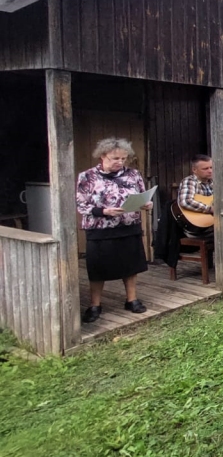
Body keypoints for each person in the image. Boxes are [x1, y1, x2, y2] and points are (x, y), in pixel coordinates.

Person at [75, 138, 153, 322]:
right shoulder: (87, 176)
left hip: (128, 226)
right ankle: (95, 305)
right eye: (115, 158)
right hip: (100, 229)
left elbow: (142, 195)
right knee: (97, 267)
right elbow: (80, 204)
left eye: (123, 158)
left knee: (130, 265)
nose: (120, 162)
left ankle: (132, 300)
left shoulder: (134, 175)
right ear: (103, 156)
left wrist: (146, 204)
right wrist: (104, 211)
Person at [177, 154, 223, 224]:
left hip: (212, 221)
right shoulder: (190, 181)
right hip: (197, 221)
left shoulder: (213, 181)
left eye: (211, 167)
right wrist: (210, 209)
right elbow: (186, 201)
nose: (210, 171)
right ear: (194, 170)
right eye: (205, 169)